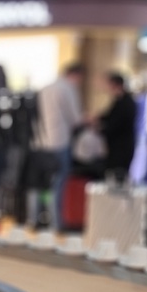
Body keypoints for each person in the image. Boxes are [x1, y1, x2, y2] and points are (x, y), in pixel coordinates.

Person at [31, 62, 85, 231]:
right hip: (60, 141)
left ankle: (35, 219)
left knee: (40, 184)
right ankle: (56, 223)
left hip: (41, 142)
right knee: (58, 183)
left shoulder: (44, 89)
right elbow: (74, 118)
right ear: (76, 75)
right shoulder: (67, 89)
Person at [94, 71, 137, 183]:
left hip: (121, 149)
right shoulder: (119, 101)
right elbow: (108, 116)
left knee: (117, 179)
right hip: (116, 148)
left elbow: (116, 124)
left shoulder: (126, 103)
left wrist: (100, 129)